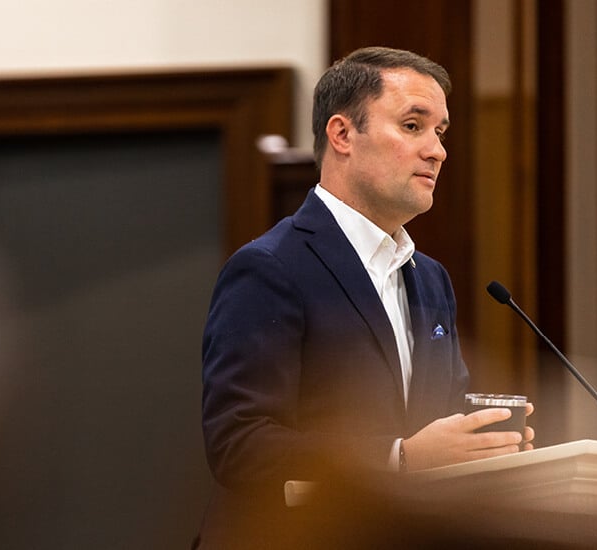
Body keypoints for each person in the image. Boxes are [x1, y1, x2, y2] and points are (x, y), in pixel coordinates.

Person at [195, 46, 535, 548]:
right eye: (413, 126)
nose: (437, 150)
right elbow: (239, 443)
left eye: (440, 133)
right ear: (342, 135)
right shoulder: (270, 268)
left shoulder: (430, 278)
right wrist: (398, 457)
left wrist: (484, 441)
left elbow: (433, 417)